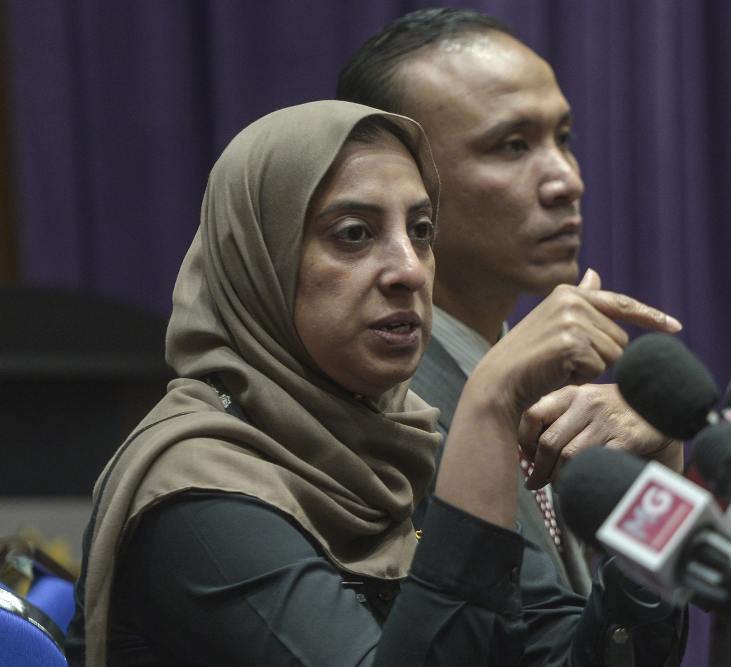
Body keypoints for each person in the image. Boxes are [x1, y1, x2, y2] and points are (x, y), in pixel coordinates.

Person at [64, 101, 686, 665]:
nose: (409, 270)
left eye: (420, 230)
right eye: (354, 235)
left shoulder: (407, 442)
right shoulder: (196, 497)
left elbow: (579, 657)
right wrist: (490, 401)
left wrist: (658, 493)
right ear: (261, 265)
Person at [338, 8, 684, 596]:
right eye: (513, 145)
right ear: (394, 178)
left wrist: (664, 467)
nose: (566, 180)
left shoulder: (538, 382)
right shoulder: (375, 412)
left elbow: (617, 645)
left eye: (563, 139)